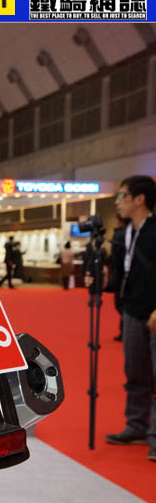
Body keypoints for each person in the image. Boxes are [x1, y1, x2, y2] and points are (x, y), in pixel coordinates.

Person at [89, 175, 156, 462]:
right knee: (135, 373)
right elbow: (121, 277)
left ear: (139, 199)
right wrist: (100, 284)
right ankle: (136, 426)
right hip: (131, 311)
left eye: (122, 196)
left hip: (154, 313)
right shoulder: (124, 234)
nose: (117, 202)